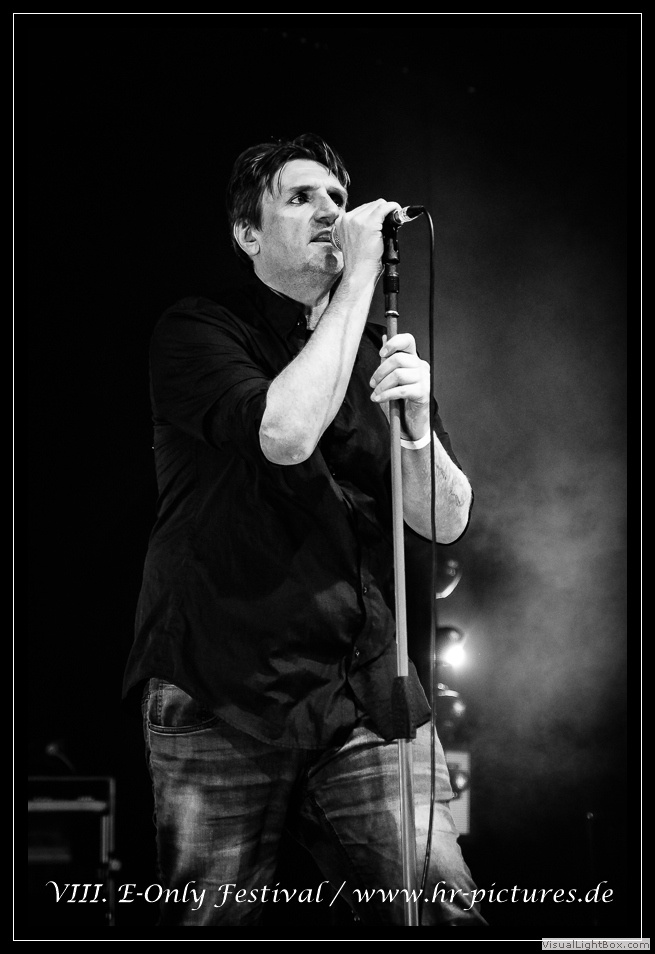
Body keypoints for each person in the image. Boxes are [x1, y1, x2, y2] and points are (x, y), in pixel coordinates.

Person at [122, 132, 486, 929]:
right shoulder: (199, 328)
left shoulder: (374, 348)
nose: (329, 212)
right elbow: (284, 435)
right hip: (223, 687)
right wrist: (358, 277)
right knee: (208, 923)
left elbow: (445, 518)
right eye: (300, 198)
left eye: (336, 198)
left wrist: (416, 430)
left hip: (364, 695)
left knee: (443, 911)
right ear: (246, 234)